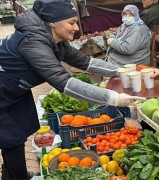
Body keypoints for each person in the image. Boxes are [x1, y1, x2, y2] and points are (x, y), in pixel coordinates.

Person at [0, 0, 145, 179]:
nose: (77, 27)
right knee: (11, 138)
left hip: (15, 91)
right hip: (2, 90)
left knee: (18, 133)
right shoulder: (33, 42)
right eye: (71, 22)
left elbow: (86, 62)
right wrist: (112, 98)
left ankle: (11, 174)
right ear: (53, 22)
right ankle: (17, 177)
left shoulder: (54, 41)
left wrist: (123, 71)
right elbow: (64, 82)